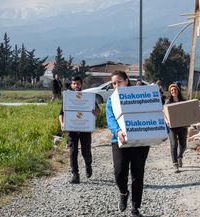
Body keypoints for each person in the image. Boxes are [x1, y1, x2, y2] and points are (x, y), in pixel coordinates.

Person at [106, 70, 150, 217]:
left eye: (119, 82)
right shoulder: (111, 100)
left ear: (126, 81)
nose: (116, 85)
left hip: (140, 141)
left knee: (138, 174)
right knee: (119, 172)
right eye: (113, 83)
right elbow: (110, 118)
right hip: (119, 140)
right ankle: (123, 193)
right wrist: (118, 131)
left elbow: (150, 111)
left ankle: (135, 207)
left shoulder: (140, 96)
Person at [59, 76, 100, 184]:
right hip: (71, 130)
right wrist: (62, 124)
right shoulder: (67, 98)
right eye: (74, 84)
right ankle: (75, 174)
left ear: (81, 84)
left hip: (85, 130)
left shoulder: (88, 97)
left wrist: (95, 111)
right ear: (71, 85)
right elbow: (61, 114)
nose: (76, 85)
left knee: (86, 152)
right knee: (73, 152)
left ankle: (88, 164)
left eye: (78, 83)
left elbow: (98, 112)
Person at [165, 83, 188, 173]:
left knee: (183, 145)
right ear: (170, 92)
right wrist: (166, 121)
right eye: (172, 90)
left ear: (178, 91)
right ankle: (175, 164)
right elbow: (164, 112)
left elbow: (187, 112)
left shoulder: (183, 100)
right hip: (172, 127)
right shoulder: (168, 102)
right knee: (174, 144)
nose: (174, 91)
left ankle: (180, 156)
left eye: (175, 90)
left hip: (182, 126)